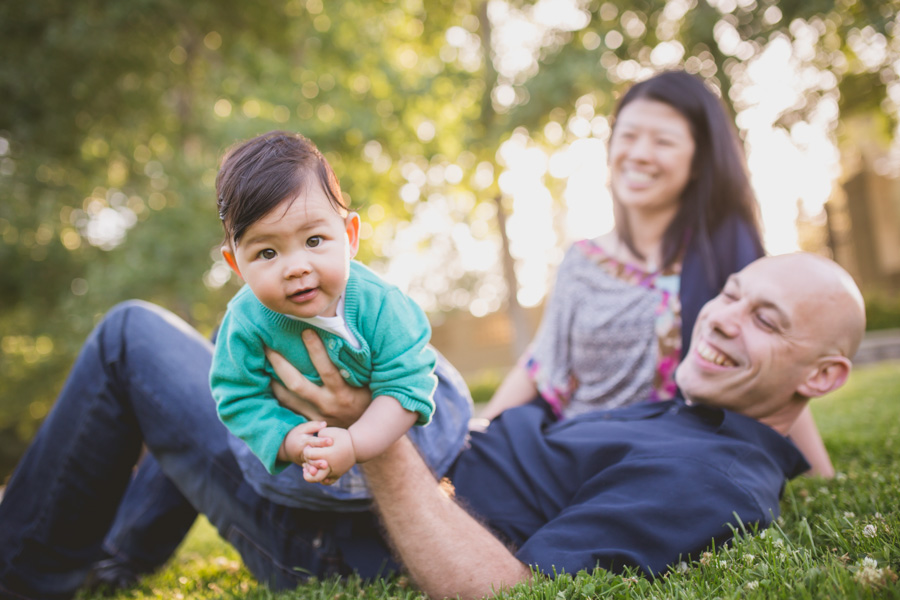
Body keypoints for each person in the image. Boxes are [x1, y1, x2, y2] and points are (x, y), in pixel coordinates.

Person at [0, 252, 864, 600]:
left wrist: (371, 431)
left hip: (339, 536)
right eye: (733, 293)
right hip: (390, 479)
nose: (722, 319)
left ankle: (27, 573)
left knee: (131, 337)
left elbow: (508, 591)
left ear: (823, 375)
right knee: (251, 361)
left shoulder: (709, 476)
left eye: (766, 320)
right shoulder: (705, 412)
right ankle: (112, 562)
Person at [476, 70, 835, 478]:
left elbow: (775, 370)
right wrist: (480, 435)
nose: (640, 154)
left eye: (663, 141)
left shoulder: (729, 257)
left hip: (680, 460)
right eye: (627, 137)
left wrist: (819, 474)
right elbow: (542, 363)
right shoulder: (581, 262)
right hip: (575, 453)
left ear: (699, 161)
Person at [211, 131, 443, 489]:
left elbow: (407, 385)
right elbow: (238, 396)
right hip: (310, 476)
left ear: (350, 236)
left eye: (314, 240)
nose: (296, 267)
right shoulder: (244, 323)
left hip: (421, 444)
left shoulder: (380, 304)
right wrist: (287, 440)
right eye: (267, 253)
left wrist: (354, 443)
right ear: (236, 265)